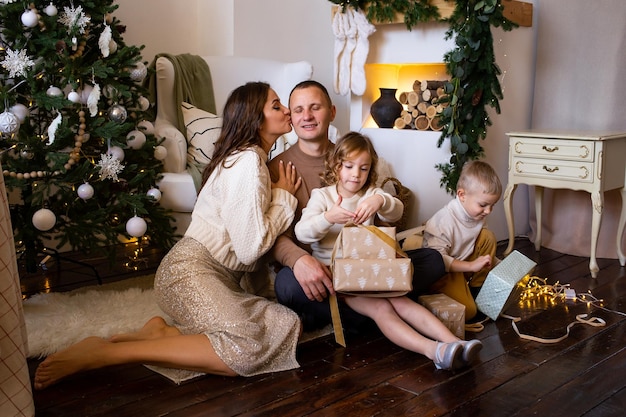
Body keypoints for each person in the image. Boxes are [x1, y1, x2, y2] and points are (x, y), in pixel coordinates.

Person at [34, 82, 303, 390]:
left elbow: (244, 254)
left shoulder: (248, 159)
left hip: (208, 278)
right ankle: (107, 353)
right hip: (189, 273)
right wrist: (283, 199)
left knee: (284, 323)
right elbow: (249, 249)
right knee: (245, 348)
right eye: (276, 105)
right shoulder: (248, 162)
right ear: (255, 118)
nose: (286, 111)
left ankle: (163, 334)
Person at [269, 80, 446, 333]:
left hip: (362, 264)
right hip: (318, 269)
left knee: (433, 260)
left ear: (331, 112)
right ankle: (373, 310)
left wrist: (380, 208)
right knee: (286, 286)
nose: (306, 116)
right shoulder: (278, 168)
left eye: (315, 107)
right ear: (291, 116)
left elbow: (388, 220)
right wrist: (299, 260)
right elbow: (273, 235)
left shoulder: (352, 156)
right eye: (298, 110)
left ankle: (350, 310)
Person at [294, 132, 481, 370]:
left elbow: (396, 210)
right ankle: (434, 351)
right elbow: (302, 232)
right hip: (340, 279)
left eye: (364, 168)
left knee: (402, 302)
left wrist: (381, 201)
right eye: (349, 166)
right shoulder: (323, 196)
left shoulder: (371, 193)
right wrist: (328, 217)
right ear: (336, 165)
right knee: (382, 308)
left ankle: (456, 343)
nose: (356, 175)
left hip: (372, 272)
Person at [422, 160, 503, 321]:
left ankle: (477, 288)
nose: (488, 211)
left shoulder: (476, 214)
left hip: (463, 265)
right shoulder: (444, 221)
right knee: (469, 312)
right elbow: (438, 261)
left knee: (487, 237)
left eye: (492, 205)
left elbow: (476, 245)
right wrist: (471, 266)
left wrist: (498, 265)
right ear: (462, 195)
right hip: (442, 273)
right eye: (483, 205)